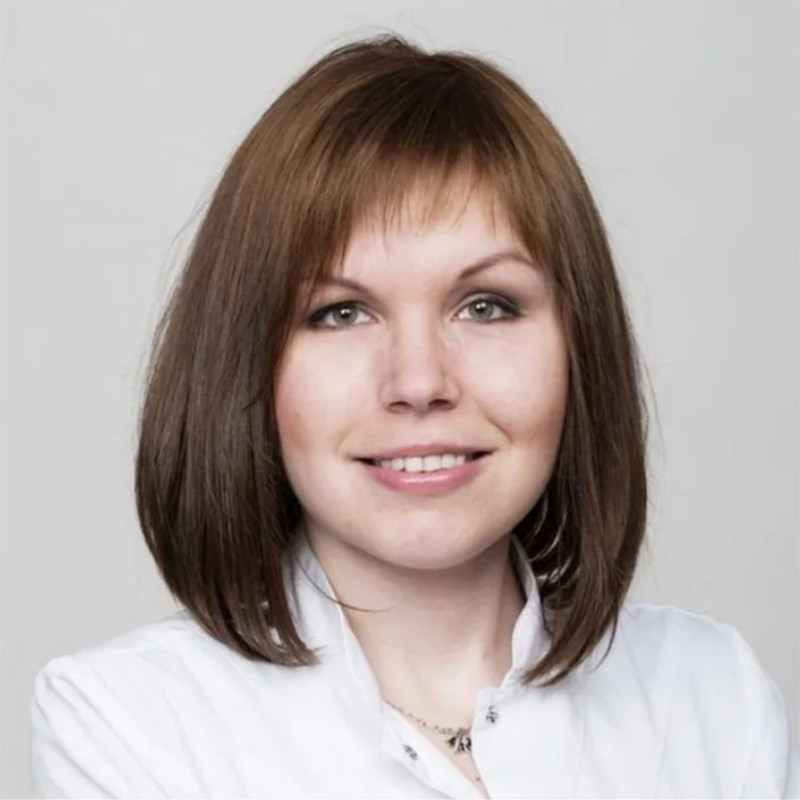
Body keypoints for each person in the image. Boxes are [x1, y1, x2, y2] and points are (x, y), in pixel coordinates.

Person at [30, 33, 798, 799]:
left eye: (486, 306)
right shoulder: (128, 725)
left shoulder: (712, 699)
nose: (419, 382)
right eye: (340, 313)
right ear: (247, 361)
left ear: (579, 346)